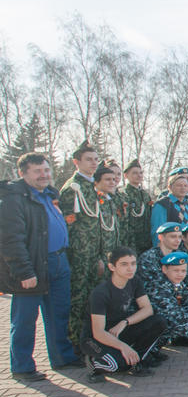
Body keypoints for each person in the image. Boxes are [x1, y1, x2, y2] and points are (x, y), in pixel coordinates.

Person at [1, 153, 80, 381]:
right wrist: (24, 271)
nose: (44, 175)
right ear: (22, 173)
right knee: (25, 318)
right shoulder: (14, 199)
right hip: (33, 265)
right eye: (37, 171)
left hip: (59, 261)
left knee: (59, 313)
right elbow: (11, 240)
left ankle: (62, 357)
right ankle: (22, 366)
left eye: (46, 170)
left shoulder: (50, 194)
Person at [81, 247, 168, 382]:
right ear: (112, 267)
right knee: (117, 365)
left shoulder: (134, 281)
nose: (130, 268)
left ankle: (136, 361)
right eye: (124, 264)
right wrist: (124, 347)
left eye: (133, 264)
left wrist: (125, 322)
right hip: (94, 339)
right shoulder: (100, 293)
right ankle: (93, 363)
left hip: (118, 331)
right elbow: (98, 332)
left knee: (159, 322)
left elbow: (147, 309)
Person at [58, 140, 102, 351]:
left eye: (96, 159)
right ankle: (75, 344)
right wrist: (77, 253)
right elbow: (69, 226)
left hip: (93, 253)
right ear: (76, 162)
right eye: (89, 159)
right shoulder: (72, 188)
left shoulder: (92, 186)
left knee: (91, 298)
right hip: (79, 254)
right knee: (78, 299)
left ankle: (90, 340)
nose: (94, 163)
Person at [150, 171, 188, 246]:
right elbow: (157, 232)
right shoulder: (162, 204)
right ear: (170, 187)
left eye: (185, 186)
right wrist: (160, 250)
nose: (183, 188)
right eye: (179, 185)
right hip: (170, 248)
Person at [118, 158, 153, 254]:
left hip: (146, 240)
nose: (139, 175)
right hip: (130, 241)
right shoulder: (123, 194)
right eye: (134, 173)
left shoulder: (145, 195)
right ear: (126, 175)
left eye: (141, 173)